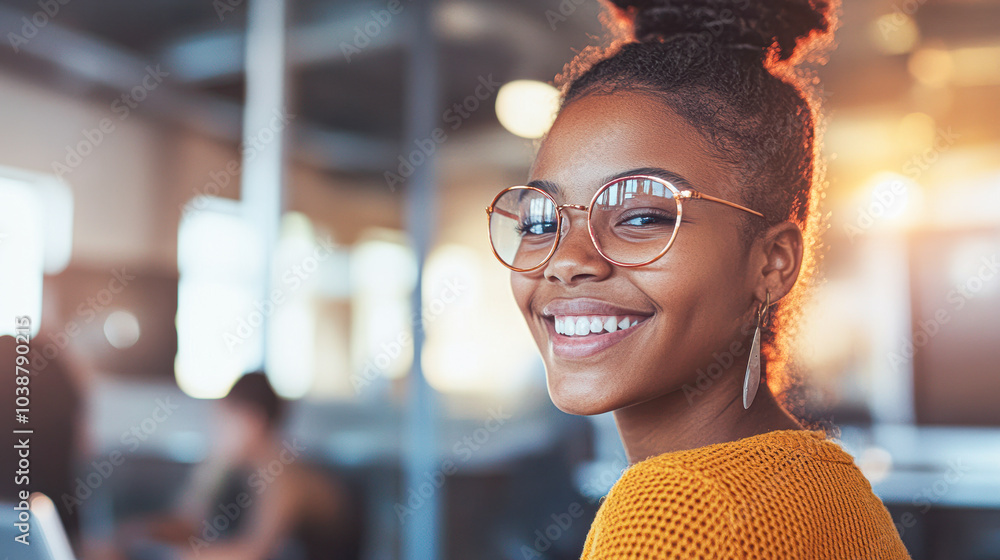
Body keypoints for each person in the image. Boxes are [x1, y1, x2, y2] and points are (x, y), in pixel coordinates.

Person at [484, 0, 911, 557]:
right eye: (543, 219)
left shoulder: (680, 513)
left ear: (772, 263)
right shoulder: (822, 480)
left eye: (641, 216)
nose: (566, 260)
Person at [117, 372, 360, 560]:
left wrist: (177, 556)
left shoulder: (285, 477)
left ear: (253, 421)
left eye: (225, 422)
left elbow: (255, 552)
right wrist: (140, 533)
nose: (216, 433)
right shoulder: (233, 465)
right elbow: (189, 521)